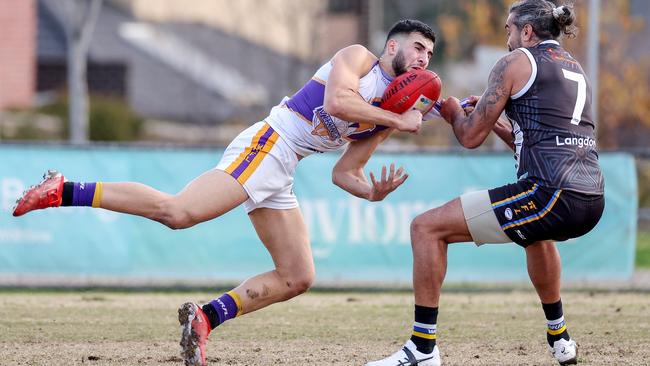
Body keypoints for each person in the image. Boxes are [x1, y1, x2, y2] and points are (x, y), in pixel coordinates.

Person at [13, 20, 436, 366]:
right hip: (269, 143)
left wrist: (371, 193)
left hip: (283, 166)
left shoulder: (387, 115)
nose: (423, 57)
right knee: (177, 212)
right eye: (417, 47)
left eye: (430, 55)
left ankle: (205, 318)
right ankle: (64, 189)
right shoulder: (359, 58)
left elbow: (345, 173)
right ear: (391, 46)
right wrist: (397, 121)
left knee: (298, 275)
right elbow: (339, 102)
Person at [366, 2, 604, 366]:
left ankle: (422, 349)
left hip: (549, 194)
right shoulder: (573, 66)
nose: (506, 37)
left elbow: (469, 137)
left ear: (526, 32)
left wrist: (452, 114)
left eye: (509, 29)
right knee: (534, 236)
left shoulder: (514, 62)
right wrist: (494, 121)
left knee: (426, 228)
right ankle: (560, 338)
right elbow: (537, 141)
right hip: (590, 197)